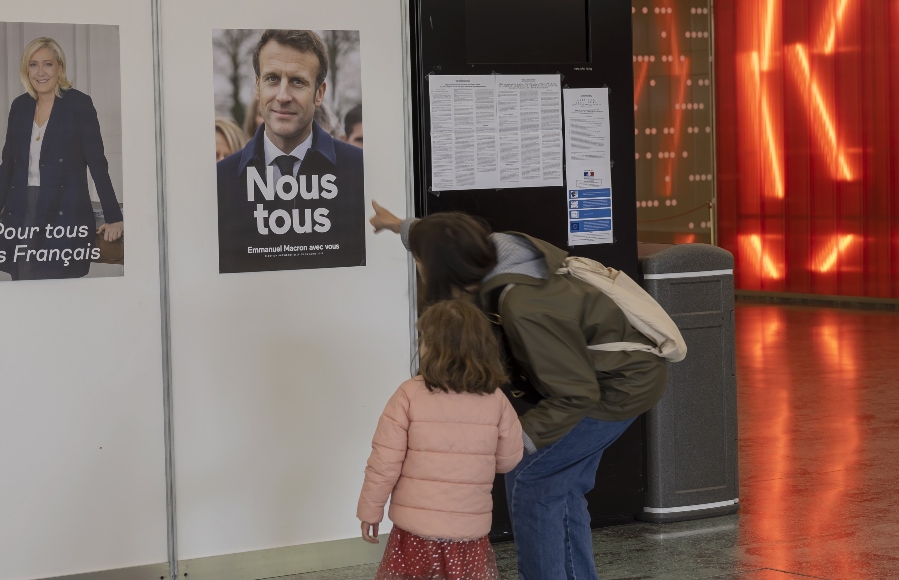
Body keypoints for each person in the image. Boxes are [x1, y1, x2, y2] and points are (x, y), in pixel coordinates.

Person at [370, 202, 668, 580]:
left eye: (421, 262)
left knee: (532, 481)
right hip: (609, 377)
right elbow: (442, 236)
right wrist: (397, 225)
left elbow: (575, 394)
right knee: (560, 489)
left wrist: (514, 439)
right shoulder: (492, 250)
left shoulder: (524, 306)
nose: (418, 267)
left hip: (617, 387)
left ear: (445, 270)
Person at [358, 299, 523, 580]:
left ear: (430, 347)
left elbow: (384, 462)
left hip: (415, 532)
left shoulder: (408, 394)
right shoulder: (496, 399)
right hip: (468, 531)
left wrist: (370, 511)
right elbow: (508, 461)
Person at [0, 37, 123, 280]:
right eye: (33, 65)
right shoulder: (20, 106)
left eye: (47, 64)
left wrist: (114, 217)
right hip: (23, 208)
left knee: (58, 288)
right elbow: (9, 165)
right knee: (24, 282)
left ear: (60, 68)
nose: (40, 72)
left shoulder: (79, 104)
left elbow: (98, 164)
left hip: (64, 208)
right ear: (27, 70)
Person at [216, 29, 365, 273]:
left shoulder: (359, 173)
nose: (283, 96)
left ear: (319, 93)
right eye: (272, 79)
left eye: (297, 81)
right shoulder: (221, 181)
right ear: (257, 86)